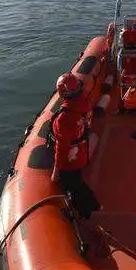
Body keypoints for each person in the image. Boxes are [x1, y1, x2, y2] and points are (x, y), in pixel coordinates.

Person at [50, 72, 100, 220]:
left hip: (70, 160)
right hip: (82, 152)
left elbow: (61, 147)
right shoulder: (85, 104)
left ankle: (88, 213)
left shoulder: (64, 119)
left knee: (72, 186)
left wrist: (56, 171)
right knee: (78, 181)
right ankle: (92, 207)